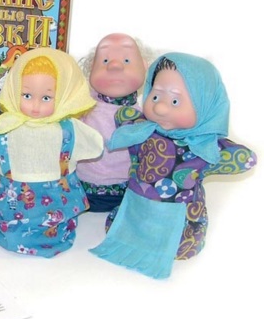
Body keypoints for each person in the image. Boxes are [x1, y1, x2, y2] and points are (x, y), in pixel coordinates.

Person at [90, 53, 257, 278]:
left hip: (180, 219)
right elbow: (125, 115)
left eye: (175, 101)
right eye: (156, 96)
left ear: (205, 106)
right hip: (136, 209)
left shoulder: (203, 148)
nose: (160, 108)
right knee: (120, 222)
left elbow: (245, 158)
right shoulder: (142, 130)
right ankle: (130, 229)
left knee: (181, 242)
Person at [0, 47, 104, 257]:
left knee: (55, 224)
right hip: (12, 207)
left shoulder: (71, 130)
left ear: (65, 95)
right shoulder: (2, 128)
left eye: (46, 97)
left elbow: (95, 145)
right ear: (14, 90)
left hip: (57, 206)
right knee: (10, 228)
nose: (35, 106)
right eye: (27, 95)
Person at [77, 33, 155, 212]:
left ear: (144, 67)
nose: (114, 66)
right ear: (91, 68)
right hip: (82, 189)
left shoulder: (147, 112)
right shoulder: (83, 106)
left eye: (126, 60)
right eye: (105, 61)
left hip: (128, 192)